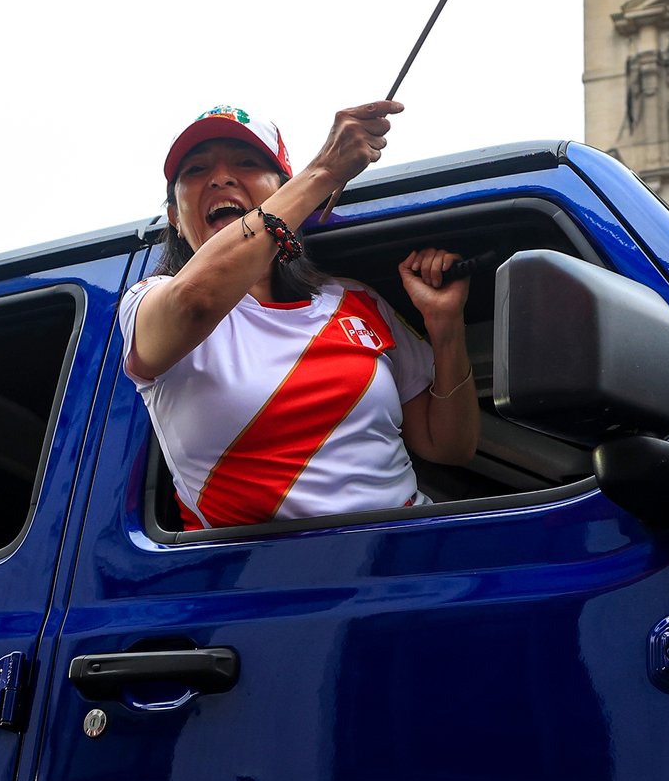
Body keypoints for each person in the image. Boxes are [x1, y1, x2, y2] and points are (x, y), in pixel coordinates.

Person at [120, 102, 481, 528]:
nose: (220, 177)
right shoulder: (149, 302)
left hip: (415, 558)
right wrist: (324, 172)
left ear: (284, 194)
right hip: (266, 583)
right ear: (175, 219)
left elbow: (449, 447)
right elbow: (195, 301)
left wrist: (445, 327)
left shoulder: (356, 299)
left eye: (247, 162)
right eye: (196, 170)